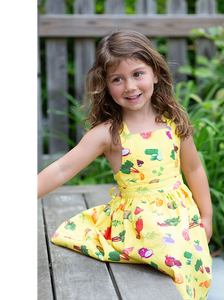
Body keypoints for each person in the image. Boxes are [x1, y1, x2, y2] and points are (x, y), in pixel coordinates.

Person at [34, 30, 213, 300]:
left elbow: (194, 169)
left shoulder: (173, 122)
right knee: (170, 254)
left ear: (155, 73)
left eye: (137, 74)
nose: (129, 86)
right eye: (118, 79)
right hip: (138, 224)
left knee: (189, 260)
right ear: (106, 85)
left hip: (181, 217)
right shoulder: (109, 133)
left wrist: (207, 216)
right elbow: (63, 169)